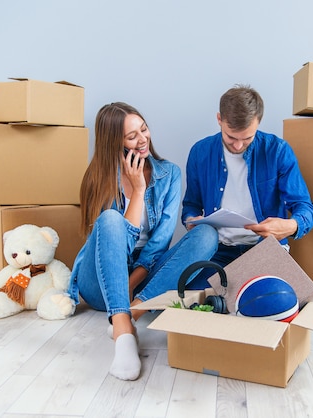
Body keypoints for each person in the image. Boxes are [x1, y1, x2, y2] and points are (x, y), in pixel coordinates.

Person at [67, 102, 218, 381]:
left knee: (207, 233)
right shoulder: (98, 178)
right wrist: (137, 191)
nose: (142, 139)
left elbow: (157, 246)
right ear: (115, 143)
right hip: (101, 281)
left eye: (144, 129)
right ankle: (123, 332)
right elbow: (110, 246)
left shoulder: (169, 174)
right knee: (111, 220)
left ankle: (130, 313)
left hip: (141, 283)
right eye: (131, 136)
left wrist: (126, 293)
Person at [182, 85, 313, 289]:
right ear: (219, 119)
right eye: (231, 137)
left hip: (265, 249)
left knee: (271, 302)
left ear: (258, 123)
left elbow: (305, 207)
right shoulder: (200, 152)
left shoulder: (277, 151)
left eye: (247, 138)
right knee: (197, 301)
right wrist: (191, 220)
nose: (238, 146)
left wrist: (291, 226)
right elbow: (191, 204)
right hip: (218, 251)